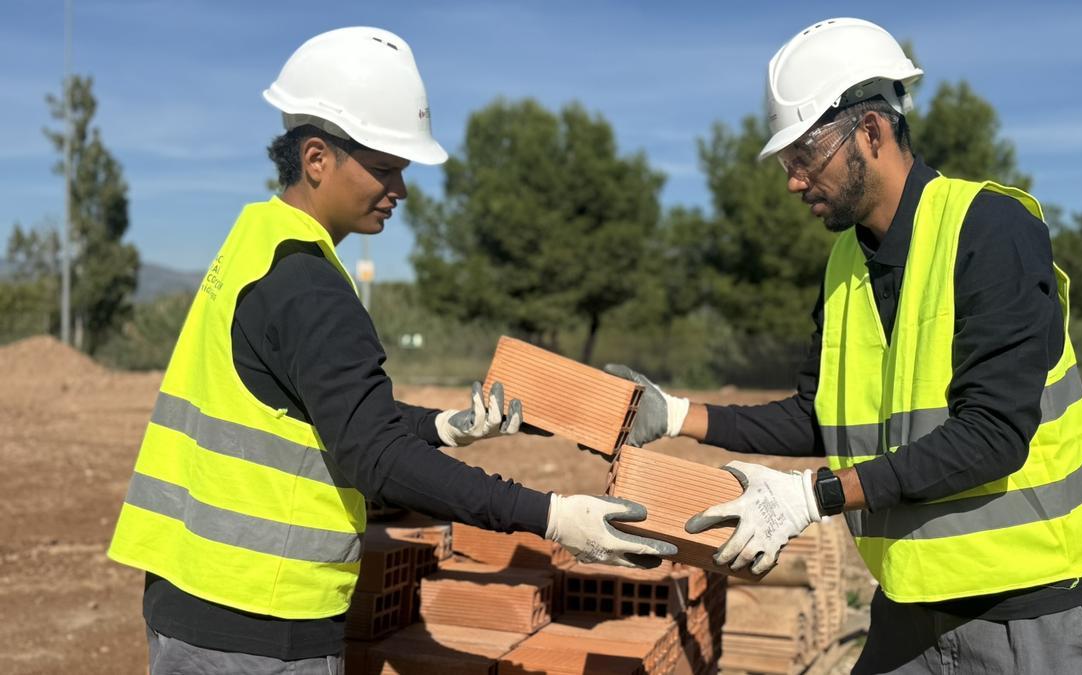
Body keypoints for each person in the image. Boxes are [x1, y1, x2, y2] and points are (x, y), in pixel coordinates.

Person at [107, 27, 674, 675]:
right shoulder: (314, 290)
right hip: (263, 627)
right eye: (385, 168)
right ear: (317, 158)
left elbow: (313, 404)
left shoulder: (256, 245)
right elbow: (375, 456)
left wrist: (440, 427)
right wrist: (552, 514)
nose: (400, 190)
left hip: (192, 599)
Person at [608, 17, 1082, 674]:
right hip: (912, 604)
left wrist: (811, 496)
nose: (794, 181)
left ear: (871, 132)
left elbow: (993, 434)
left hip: (1033, 612)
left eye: (804, 156)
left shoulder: (990, 231)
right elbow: (820, 412)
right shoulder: (845, 264)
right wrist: (678, 415)